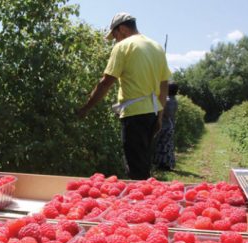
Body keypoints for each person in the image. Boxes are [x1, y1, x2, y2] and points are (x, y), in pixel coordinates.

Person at [76, 12, 171, 180]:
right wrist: (160, 116)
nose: (116, 40)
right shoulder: (156, 47)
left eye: (115, 36)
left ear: (122, 29)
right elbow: (164, 86)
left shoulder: (124, 46)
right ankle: (145, 198)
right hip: (152, 112)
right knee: (143, 162)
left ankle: (138, 203)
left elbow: (106, 82)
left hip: (134, 114)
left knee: (135, 168)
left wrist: (85, 108)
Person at [154, 81, 179, 171]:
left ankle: (163, 165)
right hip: (170, 125)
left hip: (165, 125)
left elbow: (162, 112)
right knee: (168, 145)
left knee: (162, 145)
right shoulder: (174, 100)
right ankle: (167, 164)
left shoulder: (167, 101)